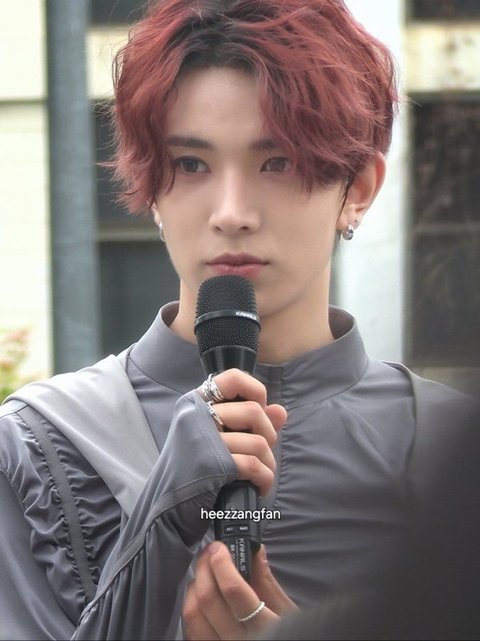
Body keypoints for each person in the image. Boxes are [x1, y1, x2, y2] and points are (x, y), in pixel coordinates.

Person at [1, 1, 478, 639]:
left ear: (358, 188)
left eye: (277, 163)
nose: (231, 212)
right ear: (152, 185)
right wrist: (162, 523)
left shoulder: (453, 450)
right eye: (191, 164)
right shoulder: (38, 445)